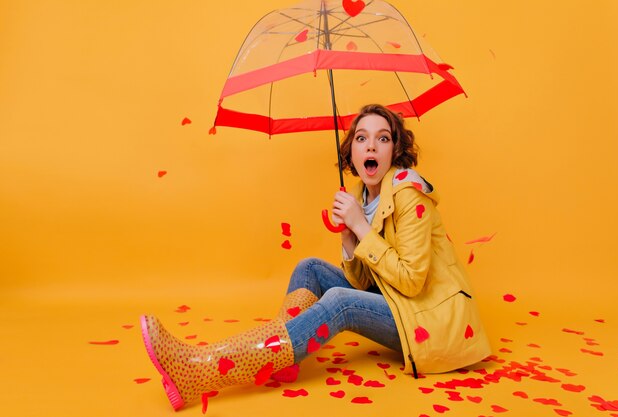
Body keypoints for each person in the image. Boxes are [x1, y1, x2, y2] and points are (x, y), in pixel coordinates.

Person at [140, 104, 491, 410]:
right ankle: (283, 358)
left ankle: (201, 368)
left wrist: (361, 227)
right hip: (397, 303)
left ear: (395, 150)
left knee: (339, 301)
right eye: (361, 138)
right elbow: (362, 282)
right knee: (309, 268)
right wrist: (349, 235)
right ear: (351, 153)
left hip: (430, 323)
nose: (371, 145)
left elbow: (412, 282)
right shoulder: (361, 195)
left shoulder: (409, 193)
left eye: (383, 138)